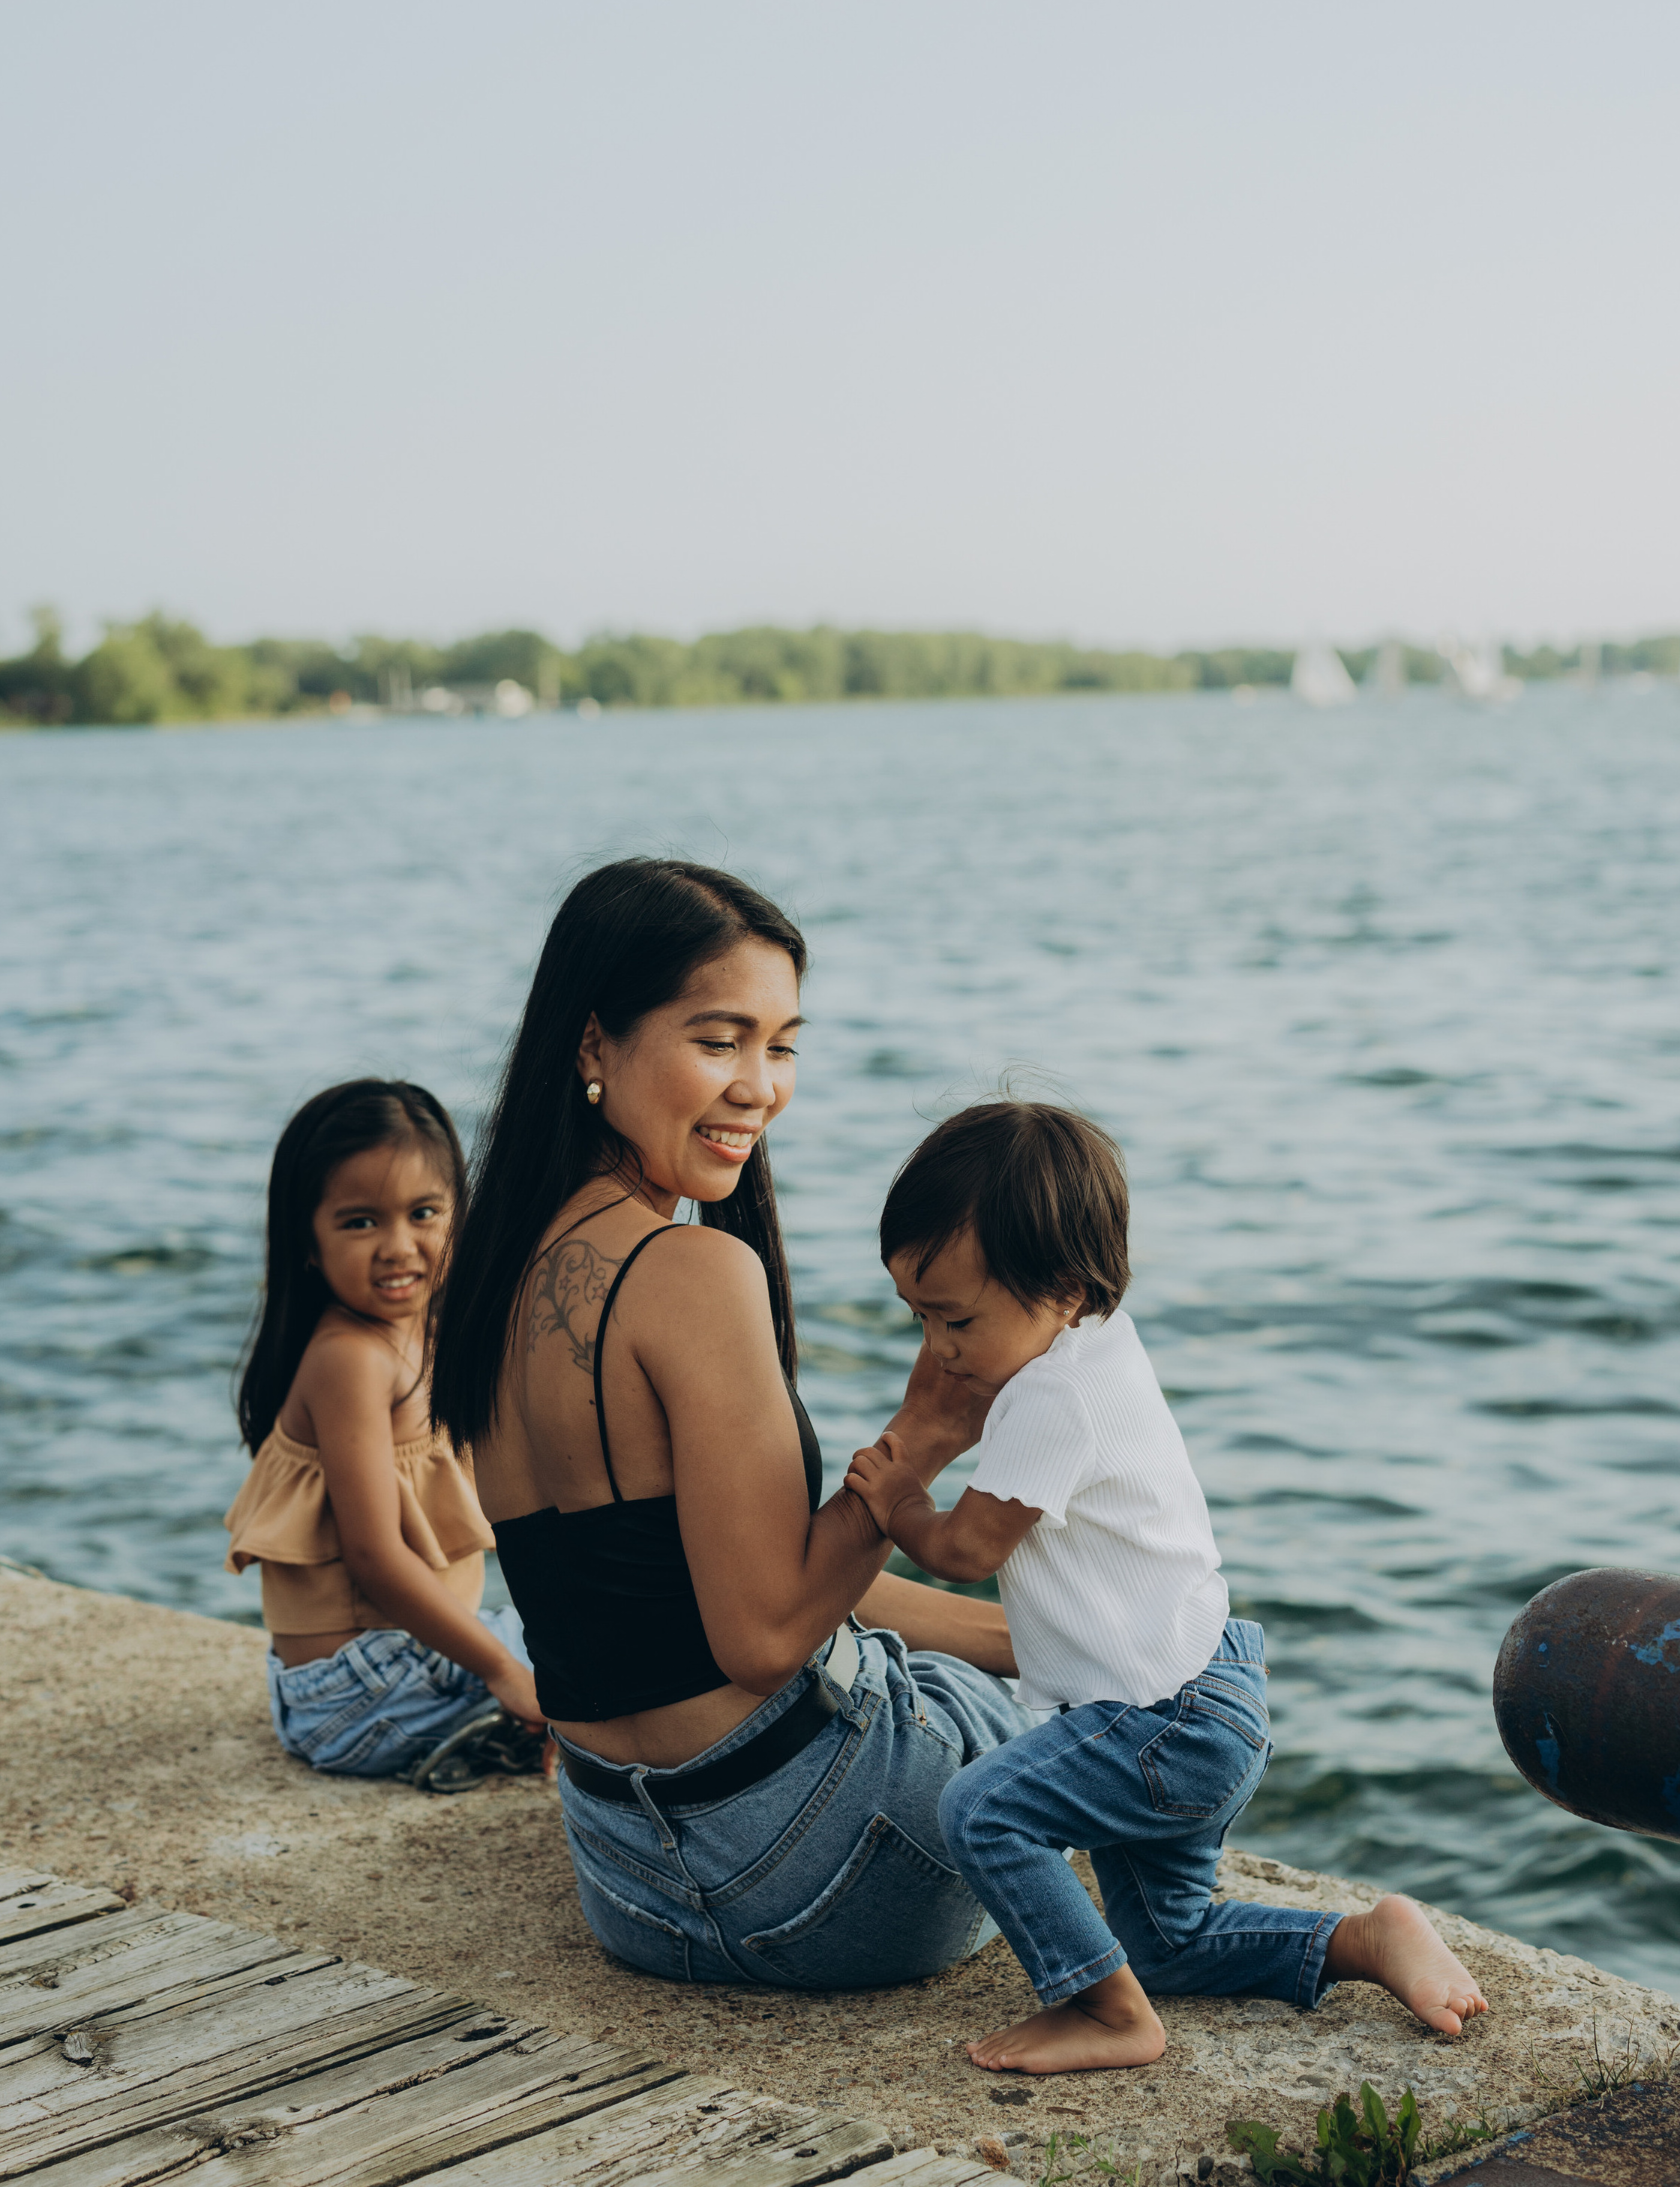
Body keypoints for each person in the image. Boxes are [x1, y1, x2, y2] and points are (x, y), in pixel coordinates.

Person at [430, 857, 1033, 1988]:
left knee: (1026, 1667)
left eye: (783, 1044)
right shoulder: (690, 1271)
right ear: (594, 1044)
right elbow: (763, 1637)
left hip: (635, 1885)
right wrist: (927, 1432)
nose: (760, 1086)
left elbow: (723, 1586)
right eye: (720, 1040)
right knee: (1124, 1718)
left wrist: (1036, 1640)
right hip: (829, 1879)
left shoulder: (486, 1274)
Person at [846, 1100, 1488, 2074]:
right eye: (920, 1319)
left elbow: (968, 1549)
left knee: (980, 1810)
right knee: (1167, 1943)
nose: (938, 1349)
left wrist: (896, 1496)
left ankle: (1106, 2016)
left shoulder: (1048, 1398)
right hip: (1202, 1694)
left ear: (1061, 1287)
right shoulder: (1099, 1348)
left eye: (957, 1319)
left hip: (1158, 1723)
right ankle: (1362, 1941)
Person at [226, 1078, 545, 1782]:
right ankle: (513, 1727)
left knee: (601, 1633)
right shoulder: (349, 1359)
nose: (399, 1246)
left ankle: (513, 1727)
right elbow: (375, 1558)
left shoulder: (424, 1335)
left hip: (384, 1672)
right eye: (361, 1222)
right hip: (354, 1695)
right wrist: (503, 1672)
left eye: (424, 1213)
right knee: (608, 1675)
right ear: (307, 1240)